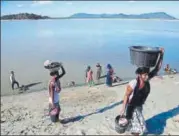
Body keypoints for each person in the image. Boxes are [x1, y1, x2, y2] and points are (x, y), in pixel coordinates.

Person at [119, 48, 164, 135]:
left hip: (139, 105)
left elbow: (157, 68)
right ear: (139, 75)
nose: (147, 76)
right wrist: (123, 108)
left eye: (147, 74)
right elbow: (126, 96)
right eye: (145, 75)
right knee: (139, 126)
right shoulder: (133, 83)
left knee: (136, 125)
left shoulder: (147, 79)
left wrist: (161, 55)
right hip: (132, 107)